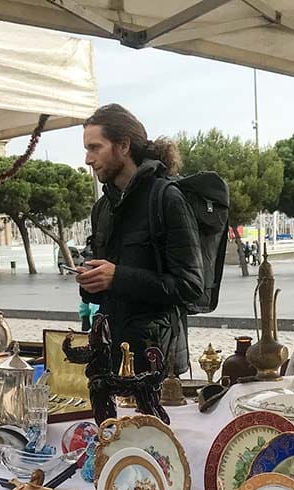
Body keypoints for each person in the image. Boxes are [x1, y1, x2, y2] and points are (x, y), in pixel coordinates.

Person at [78, 103, 203, 373]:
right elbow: (104, 289)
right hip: (110, 360)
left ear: (123, 146)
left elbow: (191, 286)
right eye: (87, 149)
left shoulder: (166, 199)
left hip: (157, 366)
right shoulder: (102, 208)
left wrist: (117, 277)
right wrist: (90, 280)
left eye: (95, 148)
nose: (88, 159)